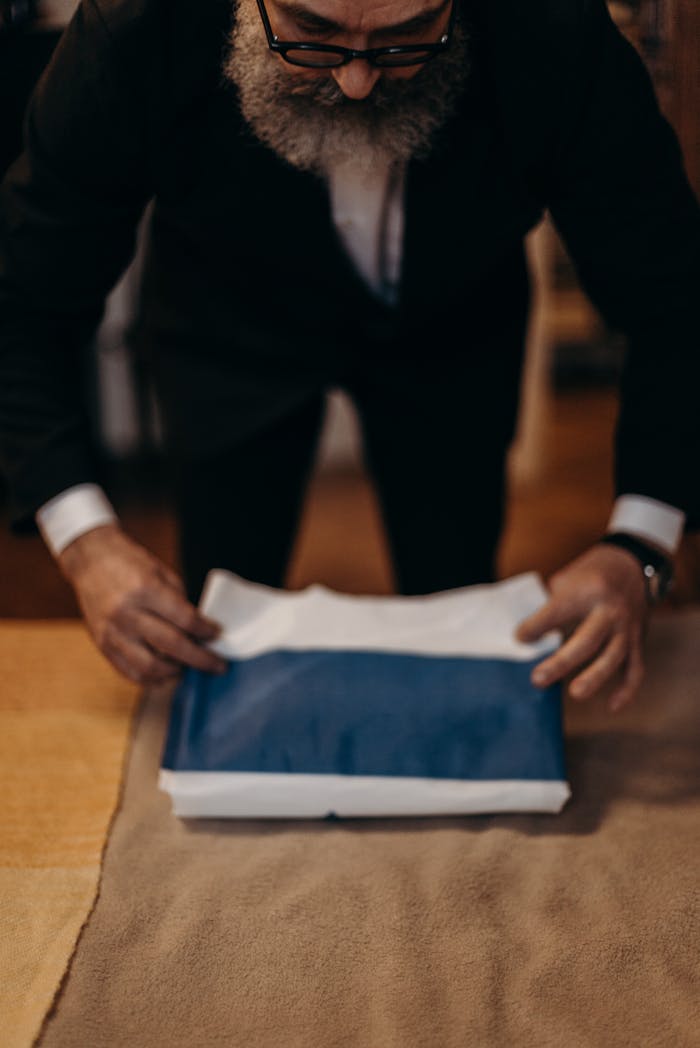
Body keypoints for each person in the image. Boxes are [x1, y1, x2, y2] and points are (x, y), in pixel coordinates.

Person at [0, 0, 698, 705]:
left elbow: (675, 300)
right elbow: (23, 299)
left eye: (405, 37)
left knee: (457, 620)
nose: (359, 80)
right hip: (224, 324)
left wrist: (639, 544)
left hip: (453, 326)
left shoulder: (557, 31)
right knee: (214, 627)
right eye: (312, 33)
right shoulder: (136, 26)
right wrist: (83, 540)